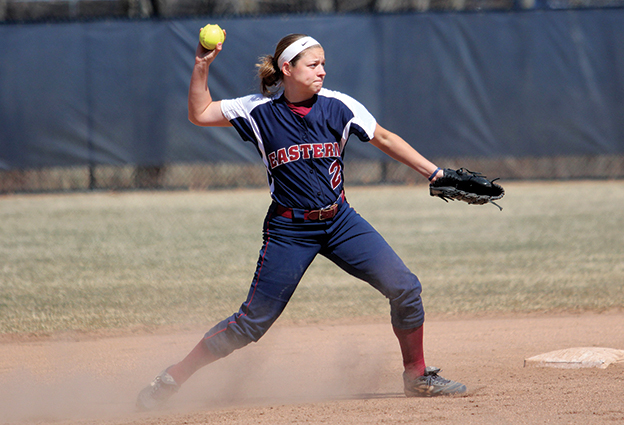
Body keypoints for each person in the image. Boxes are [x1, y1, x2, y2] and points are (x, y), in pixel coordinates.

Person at [136, 31, 466, 411]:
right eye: (313, 64)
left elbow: (385, 138)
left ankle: (417, 376)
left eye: (324, 63)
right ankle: (172, 378)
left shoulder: (339, 106)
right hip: (289, 231)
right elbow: (200, 113)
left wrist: (435, 174)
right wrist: (200, 67)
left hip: (340, 221)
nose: (322, 71)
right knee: (249, 324)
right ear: (286, 69)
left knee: (405, 287)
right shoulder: (258, 110)